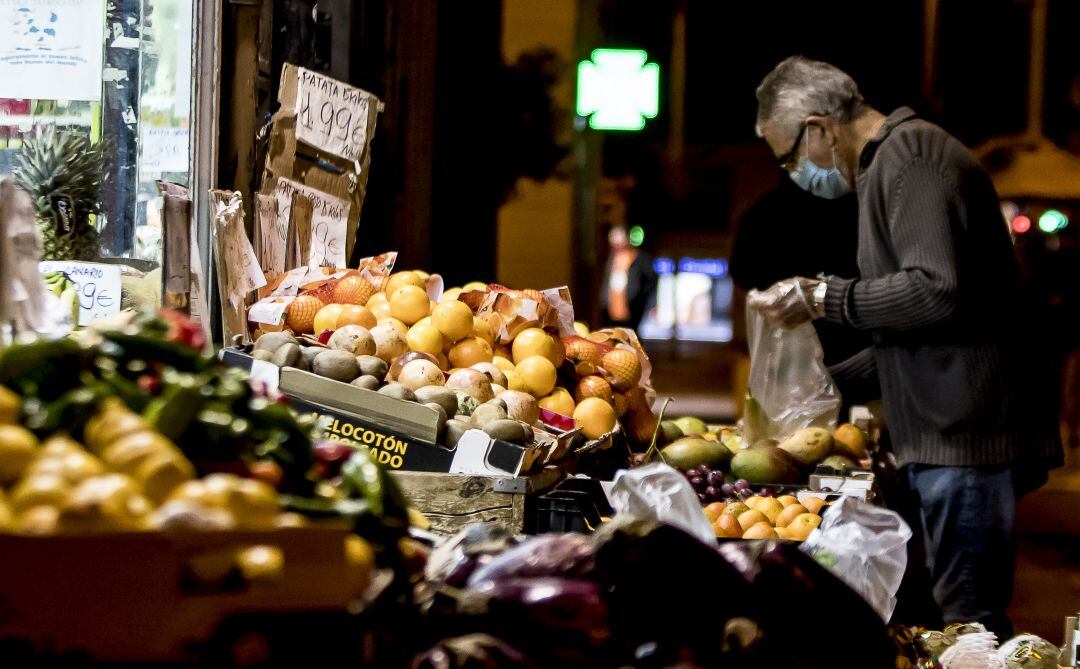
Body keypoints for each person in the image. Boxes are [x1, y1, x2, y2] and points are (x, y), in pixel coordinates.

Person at [747, 56, 1062, 637]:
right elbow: (921, 330)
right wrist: (826, 386)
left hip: (966, 440)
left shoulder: (910, 157)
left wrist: (823, 297)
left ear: (818, 127)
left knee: (969, 624)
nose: (792, 171)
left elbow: (935, 291)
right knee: (952, 617)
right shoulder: (887, 166)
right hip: (946, 436)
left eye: (788, 156)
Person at [599, 225, 657, 329]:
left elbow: (651, 283)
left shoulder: (640, 258)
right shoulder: (612, 258)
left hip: (634, 309)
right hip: (612, 308)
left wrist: (651, 304)